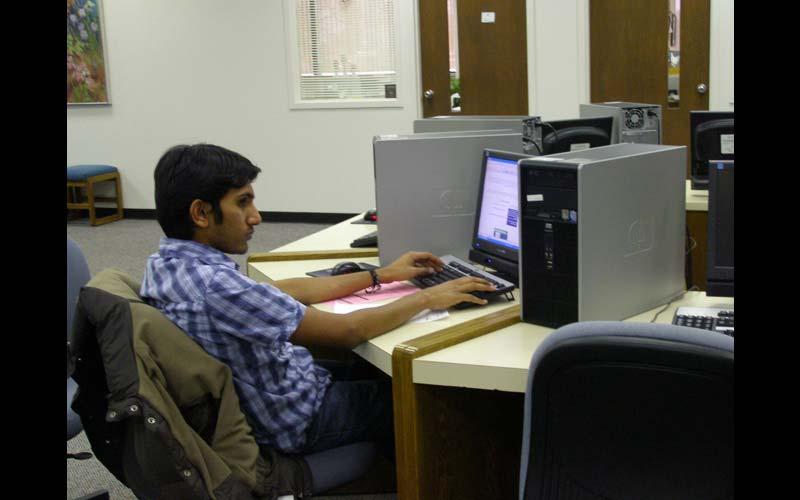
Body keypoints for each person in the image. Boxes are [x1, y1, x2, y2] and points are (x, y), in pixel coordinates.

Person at [140, 143, 496, 459]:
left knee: (375, 370)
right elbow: (346, 332)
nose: (256, 216)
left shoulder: (170, 264)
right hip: (298, 419)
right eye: (242, 202)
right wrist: (429, 297)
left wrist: (382, 275)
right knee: (444, 400)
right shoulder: (216, 286)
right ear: (201, 213)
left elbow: (287, 291)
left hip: (280, 386)